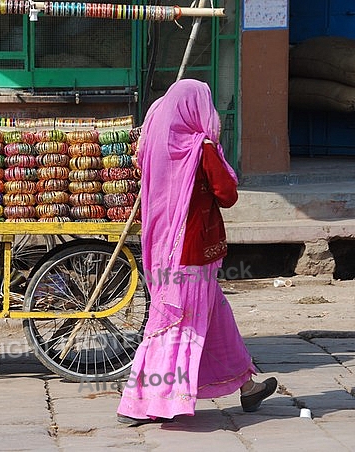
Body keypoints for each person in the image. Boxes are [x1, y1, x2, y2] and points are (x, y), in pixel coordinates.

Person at [117, 79, 277, 425]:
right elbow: (228, 195)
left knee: (217, 316)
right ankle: (147, 401)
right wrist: (215, 152)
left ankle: (247, 387)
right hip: (191, 252)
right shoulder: (198, 148)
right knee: (177, 323)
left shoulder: (152, 143)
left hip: (163, 247)